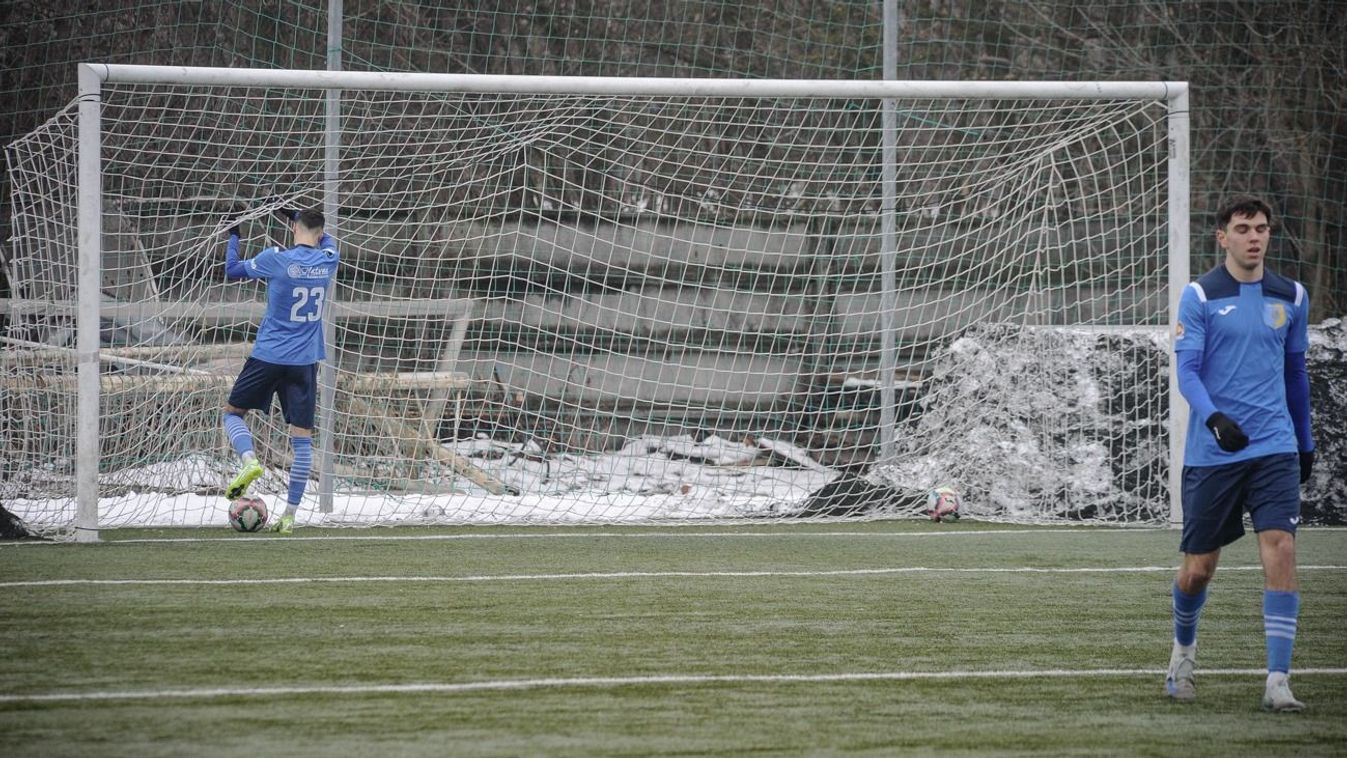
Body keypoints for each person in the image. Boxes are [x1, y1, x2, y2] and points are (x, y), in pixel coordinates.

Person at [1168, 196, 1314, 711]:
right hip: (1214, 451)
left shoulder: (1292, 295)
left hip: (1273, 446)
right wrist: (1213, 418)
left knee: (1281, 545)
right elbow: (1187, 371)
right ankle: (1183, 652)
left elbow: (1296, 375)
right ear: (1222, 237)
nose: (1254, 237)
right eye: (1243, 228)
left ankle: (1278, 680)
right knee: (1199, 570)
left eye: (1262, 228)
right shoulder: (1200, 295)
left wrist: (1305, 440)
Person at [221, 207, 339, 536]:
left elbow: (231, 270)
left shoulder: (276, 258)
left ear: (293, 230)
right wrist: (292, 212)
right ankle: (289, 516)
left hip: (268, 356)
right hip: (304, 363)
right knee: (302, 440)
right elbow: (324, 236)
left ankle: (249, 461)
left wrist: (234, 233)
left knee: (232, 414)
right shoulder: (329, 259)